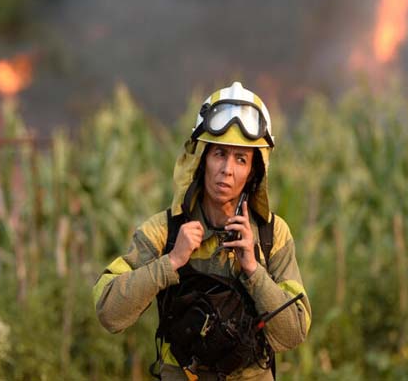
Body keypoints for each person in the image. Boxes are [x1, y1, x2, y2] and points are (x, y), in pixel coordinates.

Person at [93, 82, 310, 380]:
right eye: (219, 154)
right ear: (201, 160)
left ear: (253, 173)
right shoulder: (164, 231)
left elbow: (294, 332)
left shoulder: (272, 235)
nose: (227, 169)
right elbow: (109, 312)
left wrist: (252, 269)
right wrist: (170, 262)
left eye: (241, 159)